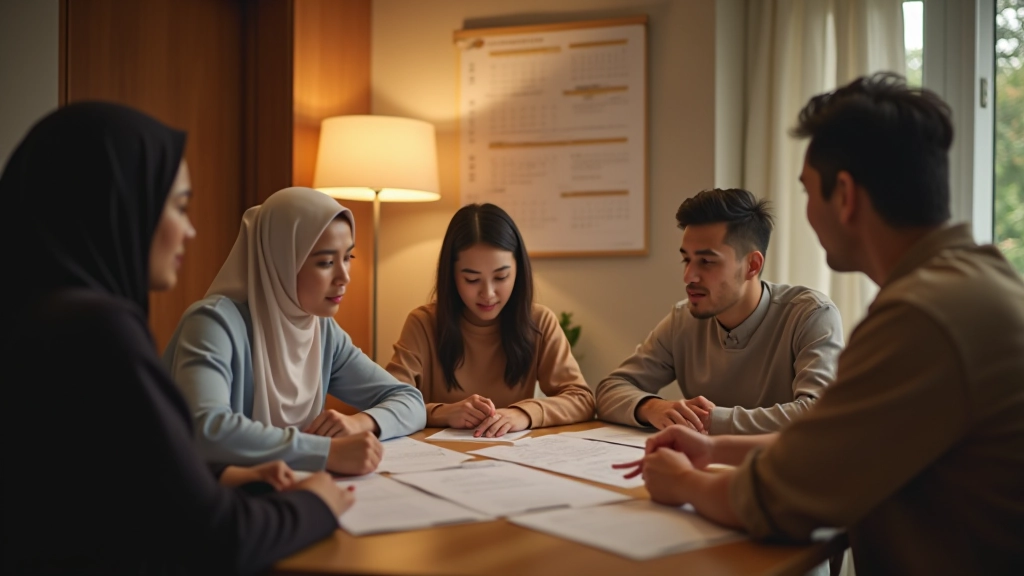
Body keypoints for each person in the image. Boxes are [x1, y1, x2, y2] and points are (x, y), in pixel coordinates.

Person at [617, 73, 1024, 574]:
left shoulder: (923, 316)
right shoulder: (974, 284)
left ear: (846, 195)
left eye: (808, 192)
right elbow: (836, 446)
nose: (807, 212)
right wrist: (714, 447)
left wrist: (681, 482)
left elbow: (785, 498)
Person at [1, 101, 352, 574]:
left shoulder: (35, 318)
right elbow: (213, 538)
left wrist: (226, 474)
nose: (190, 230)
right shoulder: (97, 332)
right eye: (178, 206)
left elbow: (114, 478)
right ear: (116, 204)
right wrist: (316, 504)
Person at [163, 186, 426, 474]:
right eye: (326, 262)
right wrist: (325, 452)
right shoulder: (213, 324)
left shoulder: (323, 332)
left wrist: (358, 423)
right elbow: (207, 430)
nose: (344, 277)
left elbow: (409, 400)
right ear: (281, 262)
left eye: (348, 257)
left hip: (285, 490)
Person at [595, 188, 844, 435]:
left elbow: (818, 413)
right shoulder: (682, 320)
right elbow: (610, 389)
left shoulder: (811, 315)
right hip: (702, 467)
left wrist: (709, 420)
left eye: (707, 262)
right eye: (686, 260)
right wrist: (653, 407)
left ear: (752, 265)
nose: (688, 276)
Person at [386, 203, 595, 437]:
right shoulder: (423, 324)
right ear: (452, 275)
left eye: (501, 277)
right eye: (472, 279)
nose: (488, 293)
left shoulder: (538, 321)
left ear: (518, 270)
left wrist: (523, 414)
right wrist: (442, 413)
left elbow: (581, 399)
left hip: (512, 457)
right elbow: (388, 402)